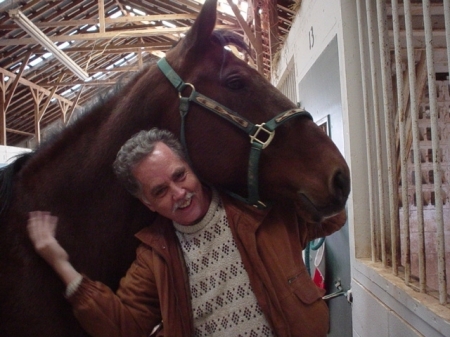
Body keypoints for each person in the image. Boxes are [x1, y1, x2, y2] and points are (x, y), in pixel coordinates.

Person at [27, 128, 346, 337]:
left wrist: (297, 168)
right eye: (160, 190)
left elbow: (332, 220)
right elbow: (123, 327)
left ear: (193, 167)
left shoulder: (259, 211)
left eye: (180, 175)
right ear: (147, 203)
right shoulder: (154, 257)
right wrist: (60, 264)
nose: (179, 193)